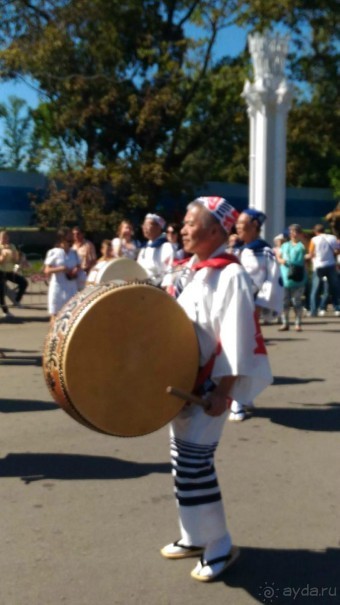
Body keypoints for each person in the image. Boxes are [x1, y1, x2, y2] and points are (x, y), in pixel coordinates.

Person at [160, 196, 272, 582]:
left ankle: (219, 544)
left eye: (191, 223)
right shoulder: (192, 269)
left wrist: (223, 392)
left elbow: (236, 337)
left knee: (196, 465)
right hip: (183, 383)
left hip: (208, 387)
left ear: (213, 231)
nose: (184, 229)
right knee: (183, 462)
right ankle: (194, 535)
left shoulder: (231, 275)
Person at [227, 209, 283, 421]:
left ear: (254, 226)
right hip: (233, 305)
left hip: (249, 307)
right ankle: (243, 394)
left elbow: (272, 279)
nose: (238, 227)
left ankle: (239, 399)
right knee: (235, 350)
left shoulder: (264, 251)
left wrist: (260, 305)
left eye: (242, 223)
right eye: (237, 224)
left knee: (243, 350)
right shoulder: (238, 249)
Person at [44, 228, 82, 323]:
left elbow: (78, 266)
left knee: (71, 314)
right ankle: (53, 336)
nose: (71, 237)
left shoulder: (73, 253)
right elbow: (47, 270)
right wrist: (61, 269)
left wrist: (76, 270)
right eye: (69, 235)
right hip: (58, 287)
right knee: (55, 315)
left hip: (71, 287)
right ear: (62, 237)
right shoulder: (54, 252)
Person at [276, 224, 307, 331]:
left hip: (298, 275)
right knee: (285, 301)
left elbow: (309, 253)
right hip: (285, 276)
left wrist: (302, 238)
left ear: (299, 233)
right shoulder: (284, 245)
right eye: (291, 231)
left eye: (295, 232)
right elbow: (278, 256)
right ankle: (285, 323)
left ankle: (298, 323)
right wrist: (281, 261)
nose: (292, 234)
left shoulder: (302, 245)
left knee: (296, 301)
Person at [307, 224, 340, 317]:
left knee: (315, 289)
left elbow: (311, 253)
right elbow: (337, 250)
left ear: (315, 231)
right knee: (335, 288)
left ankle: (313, 310)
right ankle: (337, 308)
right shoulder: (333, 238)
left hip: (318, 265)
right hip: (331, 265)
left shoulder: (314, 240)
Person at [137, 213, 174, 285]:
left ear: (158, 227)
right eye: (143, 224)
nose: (144, 227)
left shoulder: (166, 247)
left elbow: (169, 272)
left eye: (148, 224)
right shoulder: (144, 247)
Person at [0, 230, 29, 316]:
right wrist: (3, 256)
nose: (4, 240)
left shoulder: (12, 246)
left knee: (24, 283)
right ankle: (6, 311)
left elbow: (15, 261)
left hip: (9, 271)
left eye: (6, 238)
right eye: (2, 238)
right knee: (1, 292)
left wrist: (14, 256)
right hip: (0, 272)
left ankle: (17, 300)